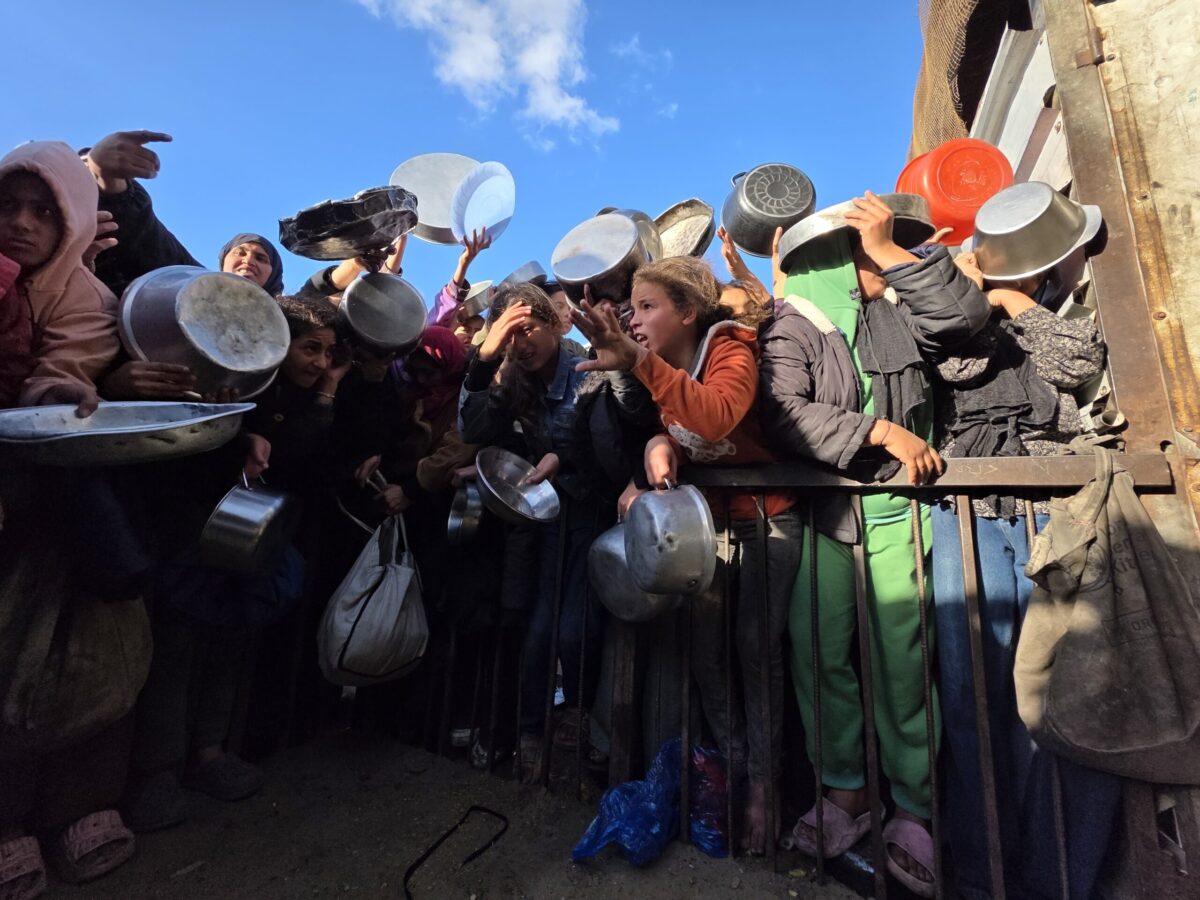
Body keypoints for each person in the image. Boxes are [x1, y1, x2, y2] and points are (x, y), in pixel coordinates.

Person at [758, 192, 989, 895]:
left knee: (904, 660)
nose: (886, 267)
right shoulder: (793, 325)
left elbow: (967, 319)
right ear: (833, 260)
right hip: (830, 517)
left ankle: (914, 811)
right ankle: (845, 795)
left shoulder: (903, 309)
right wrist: (878, 432)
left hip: (901, 514)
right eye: (870, 254)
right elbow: (780, 410)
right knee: (816, 654)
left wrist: (894, 252)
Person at [572, 256, 801, 856]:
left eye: (648, 307)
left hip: (766, 524)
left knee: (756, 653)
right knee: (707, 657)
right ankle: (732, 767)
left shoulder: (730, 349)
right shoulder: (664, 367)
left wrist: (642, 366)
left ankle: (764, 789)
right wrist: (651, 450)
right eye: (632, 308)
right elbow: (680, 430)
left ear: (689, 314)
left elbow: (719, 413)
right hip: (707, 532)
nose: (635, 317)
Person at [932, 184, 1114, 900]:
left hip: (1052, 517)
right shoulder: (952, 308)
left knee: (1052, 695)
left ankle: (1051, 875)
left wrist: (1014, 302)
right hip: (970, 517)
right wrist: (976, 298)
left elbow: (1077, 367)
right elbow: (953, 367)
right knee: (970, 690)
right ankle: (981, 871)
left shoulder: (1056, 315)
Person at [458, 283, 608, 784]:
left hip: (593, 515)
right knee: (539, 630)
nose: (522, 343)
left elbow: (611, 446)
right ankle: (530, 736)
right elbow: (474, 426)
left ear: (553, 324)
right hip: (551, 517)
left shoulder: (586, 370)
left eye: (528, 329)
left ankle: (584, 724)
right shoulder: (515, 378)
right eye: (511, 335)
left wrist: (563, 457)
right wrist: (484, 355)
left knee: (573, 629)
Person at [0, 140, 121, 414]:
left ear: (75, 221)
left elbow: (58, 375)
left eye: (44, 211)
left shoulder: (91, 302)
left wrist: (56, 395)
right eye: (7, 204)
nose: (22, 222)